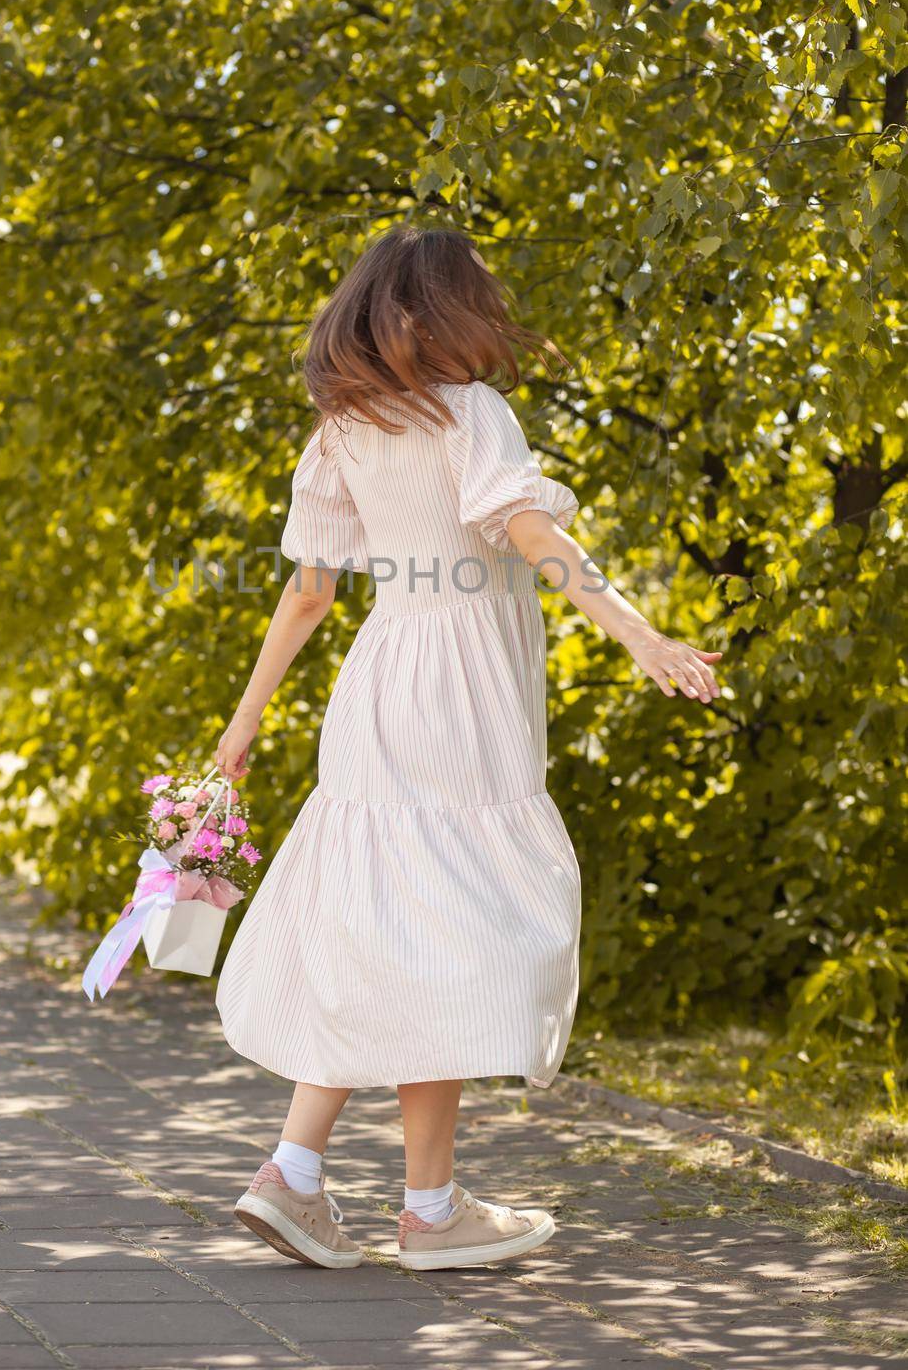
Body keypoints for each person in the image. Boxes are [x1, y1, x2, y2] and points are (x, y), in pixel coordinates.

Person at [214, 225, 721, 1271]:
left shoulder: (342, 430)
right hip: (462, 693)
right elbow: (533, 536)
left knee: (391, 921)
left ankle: (302, 1177)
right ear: (445, 310)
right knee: (447, 925)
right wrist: (636, 631)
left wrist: (247, 716)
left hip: (377, 683)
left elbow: (310, 591)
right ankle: (423, 1208)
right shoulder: (470, 415)